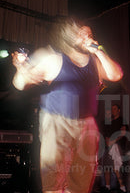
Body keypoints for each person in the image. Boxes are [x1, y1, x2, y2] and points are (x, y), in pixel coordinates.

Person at [12, 18, 123, 193]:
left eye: (89, 34)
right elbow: (19, 84)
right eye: (81, 33)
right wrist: (21, 71)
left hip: (86, 125)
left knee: (81, 184)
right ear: (70, 37)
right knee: (54, 180)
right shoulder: (54, 58)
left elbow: (116, 74)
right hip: (57, 122)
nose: (86, 37)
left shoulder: (95, 63)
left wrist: (99, 51)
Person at [101, 103, 128, 192]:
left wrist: (114, 140)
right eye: (112, 109)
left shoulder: (122, 120)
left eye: (115, 109)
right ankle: (107, 186)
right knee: (107, 167)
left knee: (116, 167)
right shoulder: (109, 121)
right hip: (108, 146)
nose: (113, 111)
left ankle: (122, 186)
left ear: (119, 110)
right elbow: (106, 134)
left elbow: (123, 133)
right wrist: (107, 140)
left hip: (118, 146)